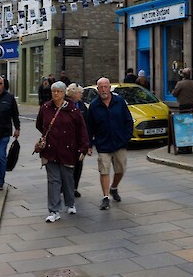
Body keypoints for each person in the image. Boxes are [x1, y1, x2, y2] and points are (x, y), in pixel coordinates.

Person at [37, 82, 90, 222]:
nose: (55, 94)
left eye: (58, 91)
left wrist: (83, 147)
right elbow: (40, 124)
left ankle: (70, 203)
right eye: (53, 91)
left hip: (68, 150)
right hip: (50, 150)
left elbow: (82, 130)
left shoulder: (72, 110)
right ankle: (54, 211)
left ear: (63, 93)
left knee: (67, 179)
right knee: (53, 180)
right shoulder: (46, 108)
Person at [86, 77, 133, 210]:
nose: (103, 90)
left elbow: (128, 120)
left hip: (119, 142)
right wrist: (89, 144)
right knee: (104, 170)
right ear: (97, 89)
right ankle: (105, 197)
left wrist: (127, 136)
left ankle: (114, 188)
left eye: (105, 87)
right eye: (100, 87)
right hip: (103, 144)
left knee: (121, 169)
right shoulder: (94, 106)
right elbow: (90, 127)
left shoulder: (119, 102)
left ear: (109, 88)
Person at [65, 83, 90, 198]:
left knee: (78, 165)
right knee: (67, 165)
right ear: (73, 94)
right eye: (79, 92)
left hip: (79, 141)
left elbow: (87, 124)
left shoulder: (82, 106)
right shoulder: (65, 105)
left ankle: (74, 187)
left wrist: (88, 143)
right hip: (67, 141)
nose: (81, 95)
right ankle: (65, 186)